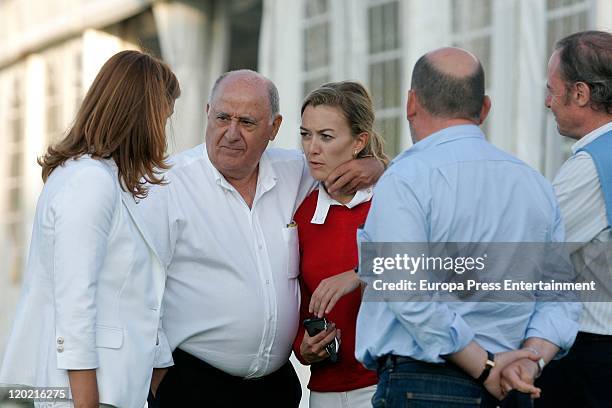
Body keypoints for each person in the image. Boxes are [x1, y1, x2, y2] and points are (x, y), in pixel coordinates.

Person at [139, 69, 384, 407]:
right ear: (208, 113)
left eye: (248, 123)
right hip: (193, 386)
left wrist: (381, 166)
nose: (232, 133)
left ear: (274, 127)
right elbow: (137, 287)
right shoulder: (166, 185)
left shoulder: (298, 173)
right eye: (223, 117)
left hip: (278, 389)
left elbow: (450, 270)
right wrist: (157, 376)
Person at [354, 47, 581, 407]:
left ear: (411, 103)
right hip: (516, 386)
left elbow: (408, 292)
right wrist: (529, 362)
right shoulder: (534, 184)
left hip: (426, 384)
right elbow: (562, 299)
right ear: (485, 108)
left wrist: (488, 366)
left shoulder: (406, 179)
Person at [0, 50, 180, 408]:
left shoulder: (105, 179)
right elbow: (75, 303)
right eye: (164, 117)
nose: (163, 131)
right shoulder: (90, 182)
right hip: (84, 394)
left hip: (114, 389)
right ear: (142, 115)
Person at [292, 81, 388, 408]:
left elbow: (431, 266)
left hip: (382, 385)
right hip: (322, 391)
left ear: (359, 142)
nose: (312, 148)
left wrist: (360, 273)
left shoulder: (391, 201)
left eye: (326, 136)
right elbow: (296, 297)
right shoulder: (301, 214)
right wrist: (300, 347)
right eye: (306, 134)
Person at [534, 30, 612, 408]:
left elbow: (528, 250)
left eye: (553, 89)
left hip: (593, 356)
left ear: (580, 94)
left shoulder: (592, 166)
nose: (548, 102)